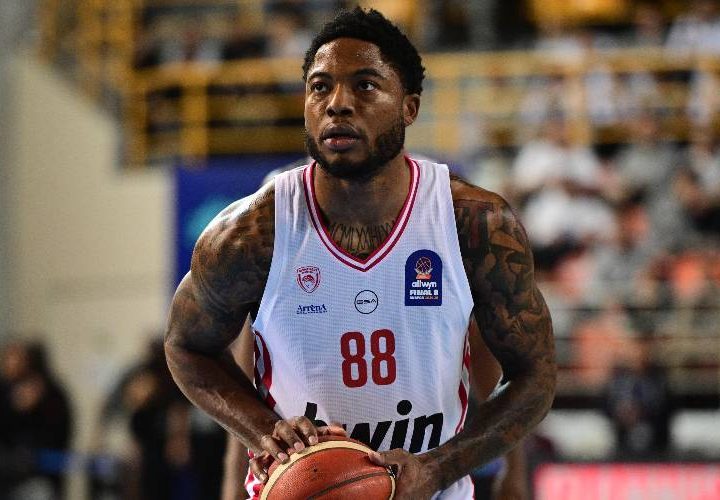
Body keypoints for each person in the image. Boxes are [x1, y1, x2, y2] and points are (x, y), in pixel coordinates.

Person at [164, 7, 555, 499]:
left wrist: (437, 469)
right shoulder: (250, 234)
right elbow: (186, 347)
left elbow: (535, 376)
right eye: (320, 87)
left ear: (409, 107)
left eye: (365, 85)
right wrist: (263, 430)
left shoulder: (475, 224)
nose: (338, 104)